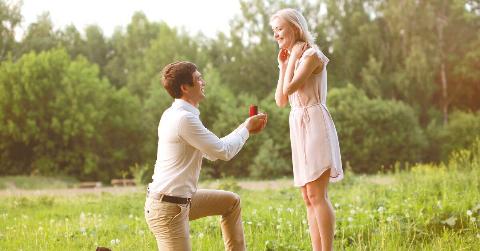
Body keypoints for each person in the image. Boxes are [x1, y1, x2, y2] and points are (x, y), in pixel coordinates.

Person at [144, 61, 267, 251]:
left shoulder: (178, 114)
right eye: (198, 78)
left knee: (231, 202)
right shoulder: (184, 119)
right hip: (168, 209)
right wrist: (247, 129)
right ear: (185, 87)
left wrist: (245, 127)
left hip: (182, 201)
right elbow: (224, 152)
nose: (203, 82)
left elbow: (213, 152)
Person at [271, 8, 344, 251]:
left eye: (279, 29)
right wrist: (283, 65)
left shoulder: (311, 55)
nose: (276, 35)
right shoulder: (292, 59)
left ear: (295, 27)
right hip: (298, 125)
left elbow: (291, 88)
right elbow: (280, 101)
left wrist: (290, 60)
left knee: (317, 195)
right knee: (307, 197)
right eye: (274, 31)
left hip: (314, 124)